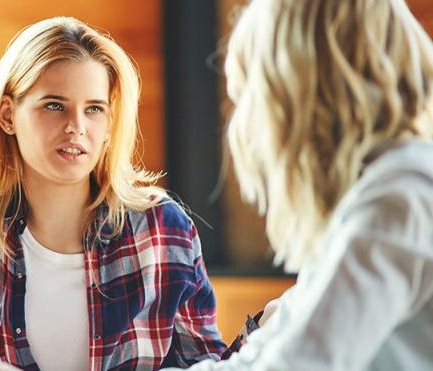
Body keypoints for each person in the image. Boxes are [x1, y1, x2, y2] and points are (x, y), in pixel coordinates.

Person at [0, 16, 226, 370]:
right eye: (54, 105)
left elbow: (206, 362)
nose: (76, 127)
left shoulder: (163, 225)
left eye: (94, 109)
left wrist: (272, 329)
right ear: (8, 116)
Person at [167, 0, 433, 370]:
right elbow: (261, 357)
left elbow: (295, 363)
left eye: (250, 95)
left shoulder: (400, 197)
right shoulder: (375, 198)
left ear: (296, 94)